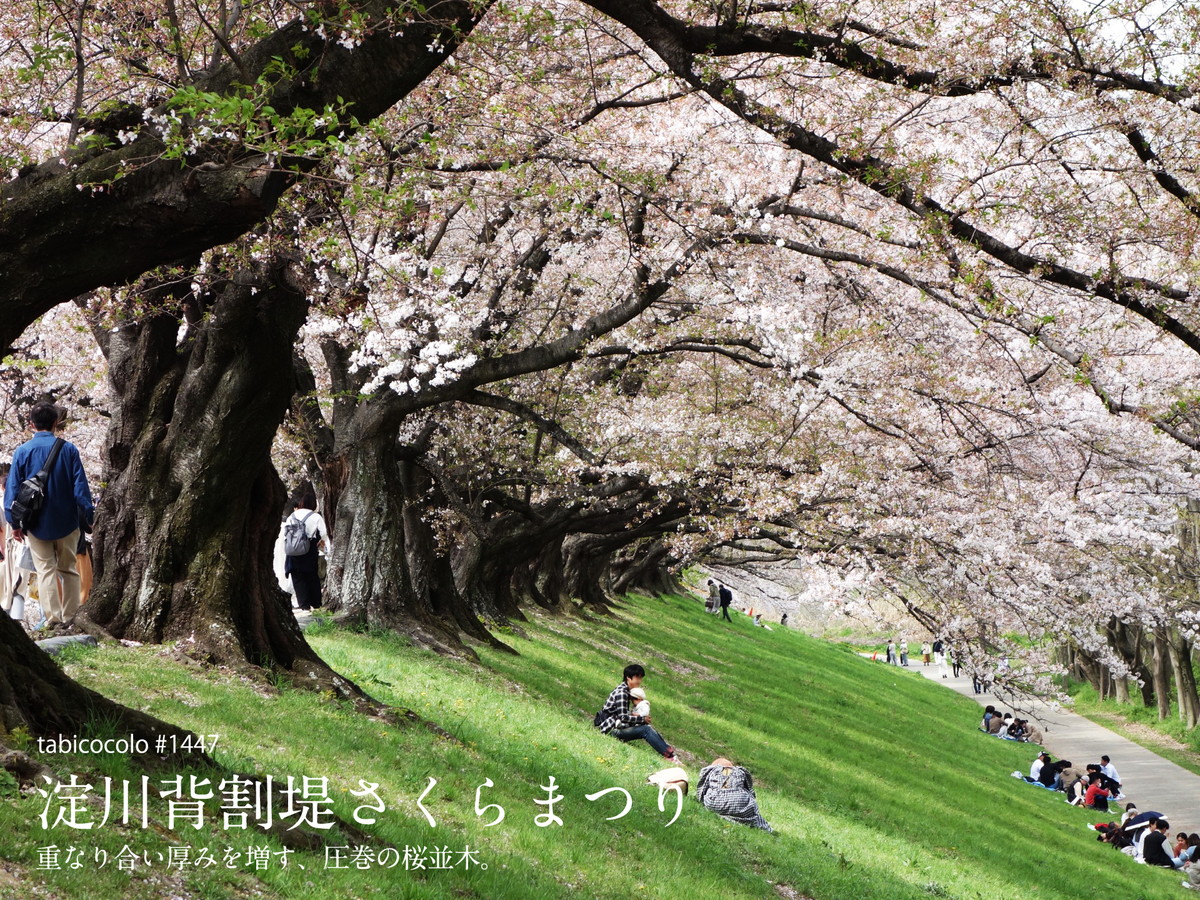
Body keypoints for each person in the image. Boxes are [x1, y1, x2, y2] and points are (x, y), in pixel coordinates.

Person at [4, 402, 94, 630]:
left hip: (36, 523)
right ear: (56, 423)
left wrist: (14, 522)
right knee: (69, 570)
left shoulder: (22, 451)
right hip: (67, 521)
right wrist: (88, 515)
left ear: (31, 424)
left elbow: (13, 490)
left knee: (45, 571)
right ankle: (70, 617)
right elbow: (80, 487)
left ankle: (52, 619)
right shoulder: (69, 450)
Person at [595, 664, 677, 761]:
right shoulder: (622, 693)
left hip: (613, 726)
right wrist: (642, 719)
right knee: (646, 730)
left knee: (647, 728)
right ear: (628, 678)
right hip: (609, 729)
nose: (639, 681)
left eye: (641, 678)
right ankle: (670, 757)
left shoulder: (626, 691)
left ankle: (669, 753)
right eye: (637, 678)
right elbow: (623, 717)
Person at [279, 486, 331, 611]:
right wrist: (322, 544)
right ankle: (316, 604)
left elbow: (287, 532)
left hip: (293, 550)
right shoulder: (315, 517)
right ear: (313, 504)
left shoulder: (292, 515)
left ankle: (304, 606)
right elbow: (324, 534)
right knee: (312, 577)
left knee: (298, 578)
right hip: (308, 550)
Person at [696, 756, 772, 831]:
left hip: (716, 802)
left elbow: (701, 788)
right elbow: (750, 790)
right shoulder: (738, 771)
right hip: (739, 803)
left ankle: (723, 813)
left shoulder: (712, 770)